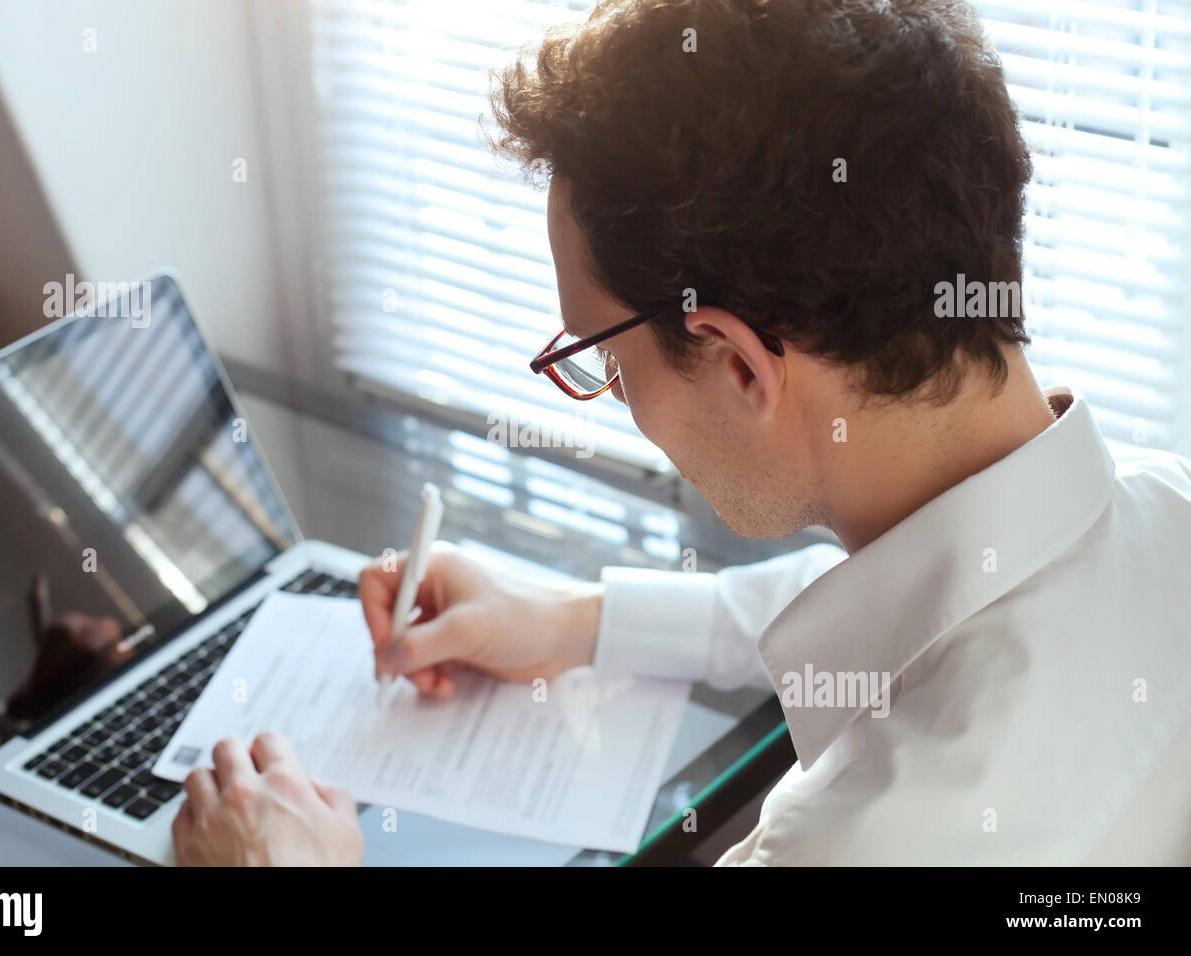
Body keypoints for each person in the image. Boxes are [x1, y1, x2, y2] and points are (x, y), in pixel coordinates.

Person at [171, 0, 1191, 866]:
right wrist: (571, 621)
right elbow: (920, 589)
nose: (612, 393)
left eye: (607, 360)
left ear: (739, 360)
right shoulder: (1160, 504)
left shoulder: (858, 840)